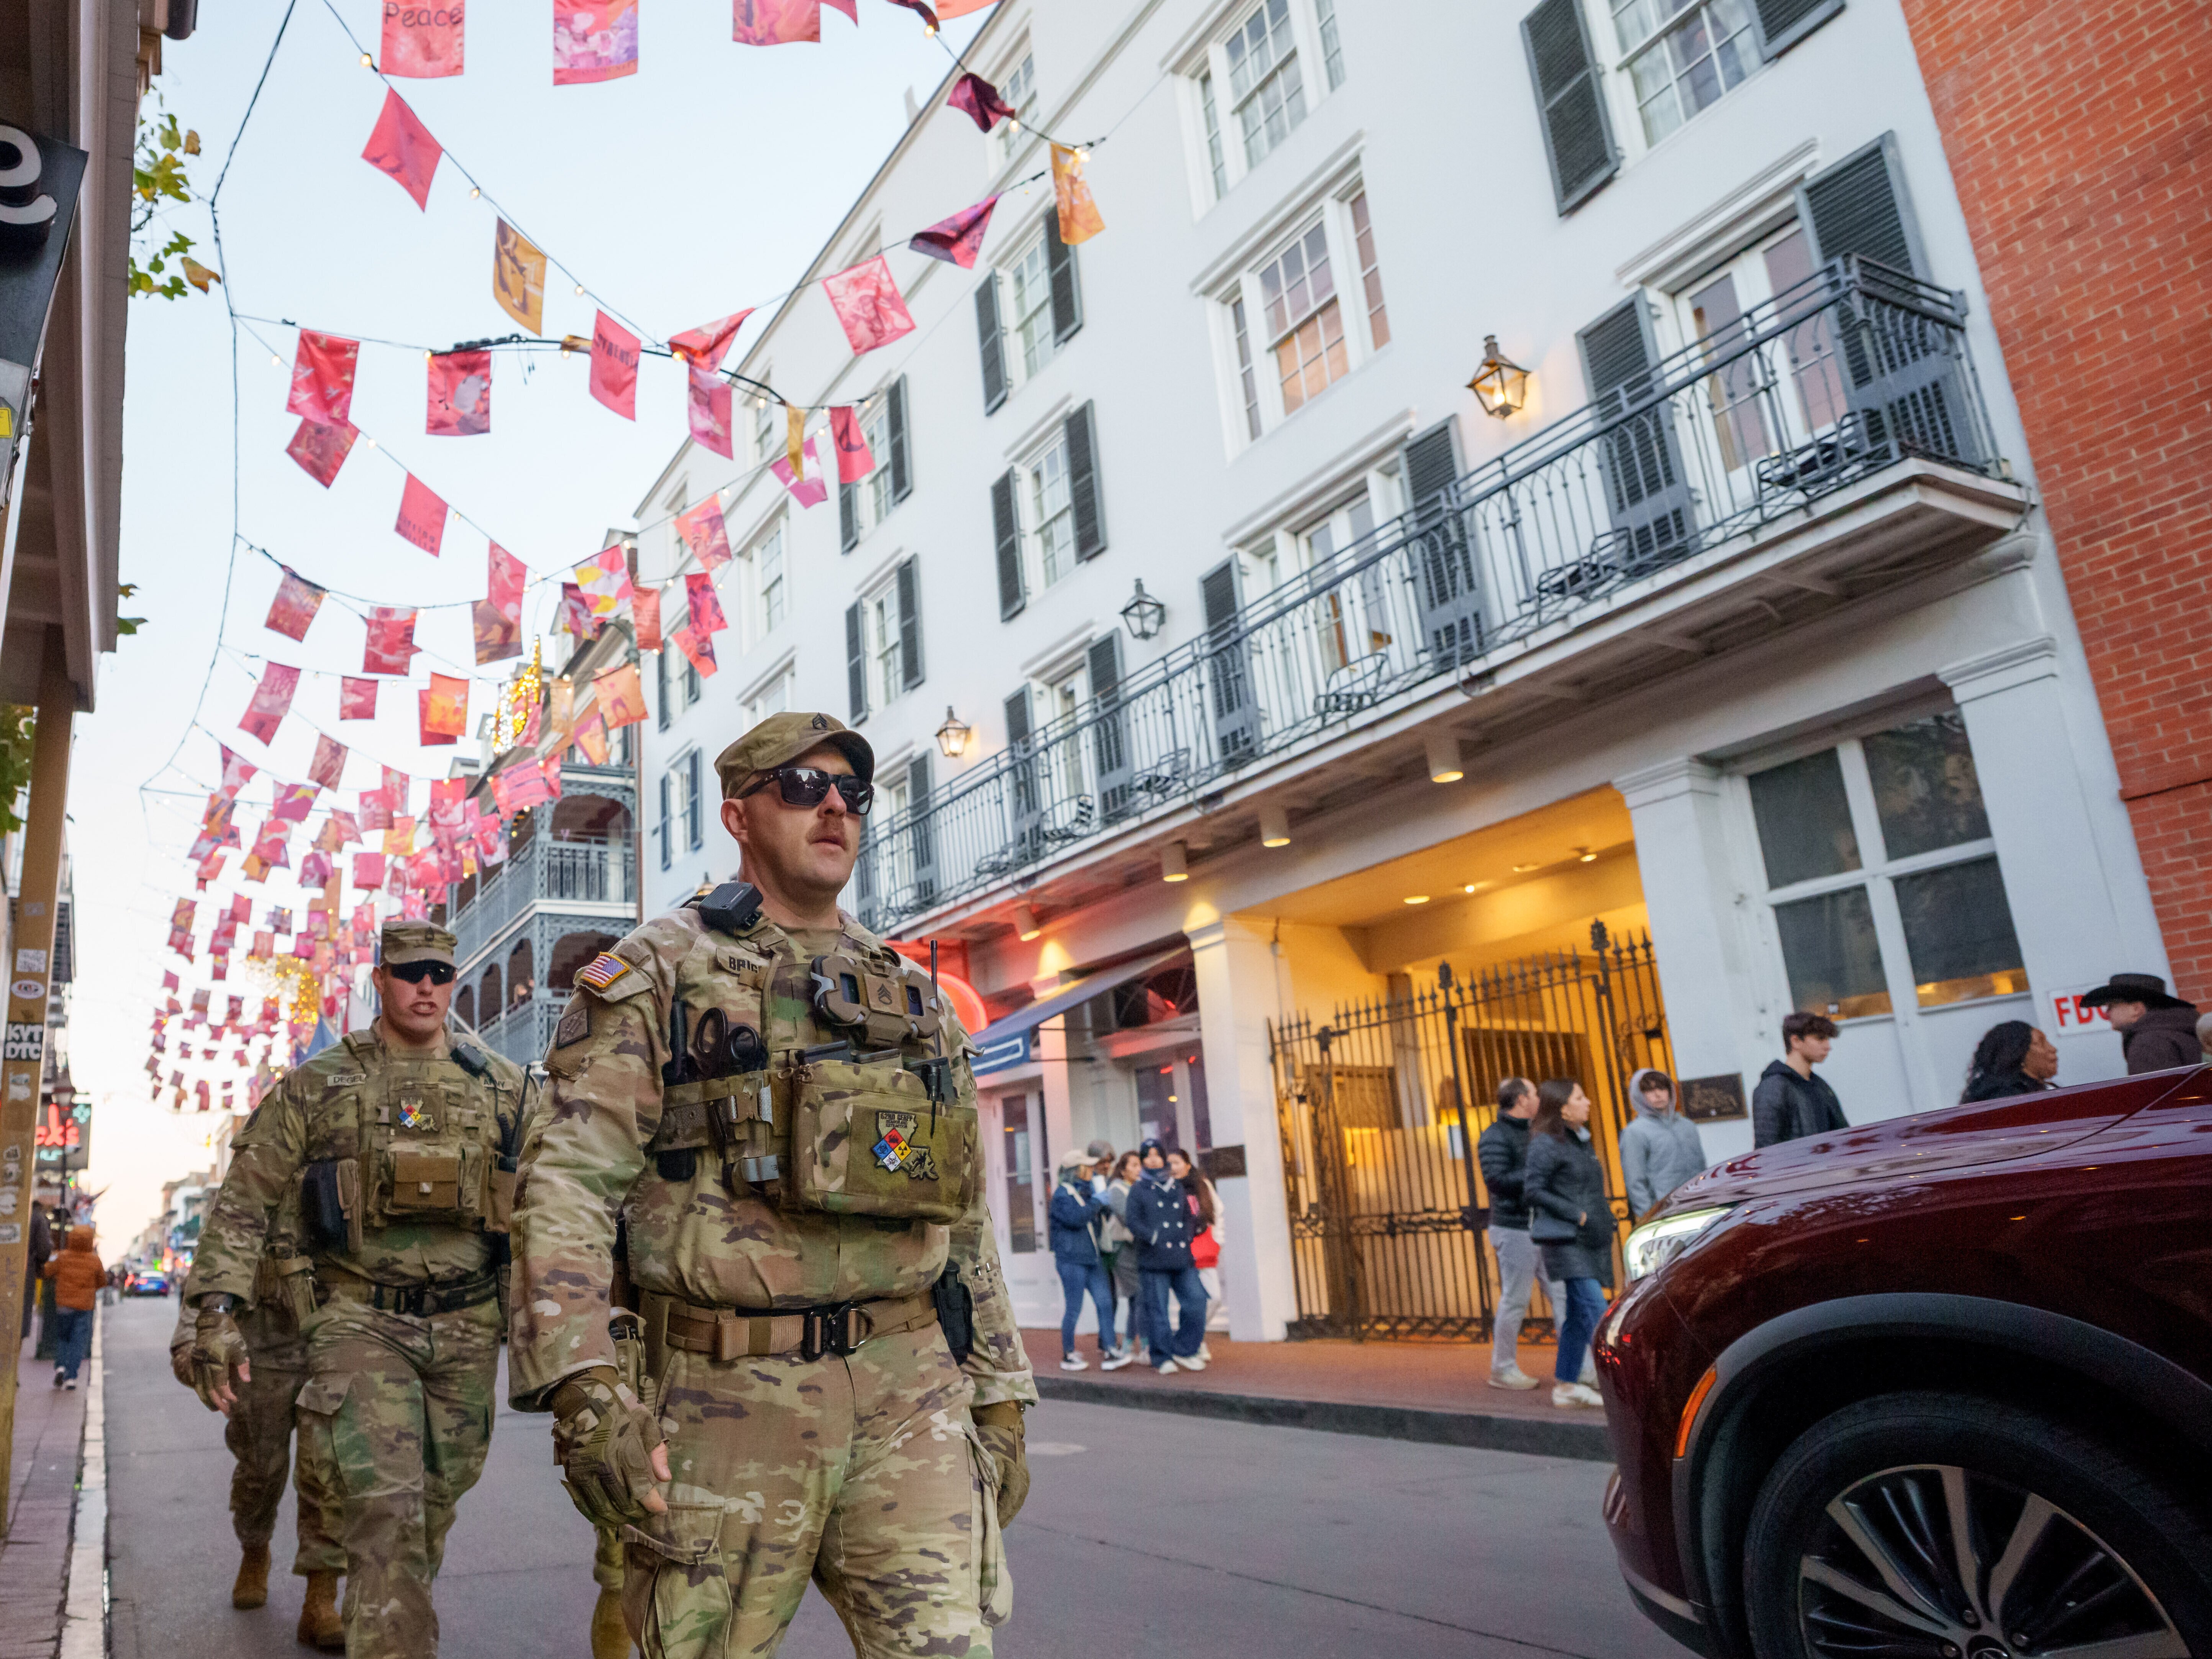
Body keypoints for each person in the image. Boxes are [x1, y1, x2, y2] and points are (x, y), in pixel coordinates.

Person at [507, 711, 1034, 1656]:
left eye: (850, 793)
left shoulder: (908, 994)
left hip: (908, 1381)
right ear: (740, 815)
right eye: (800, 787)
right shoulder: (656, 973)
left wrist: (998, 1390)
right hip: (726, 1391)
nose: (833, 806)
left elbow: (960, 1206)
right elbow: (566, 1188)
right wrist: (585, 1390)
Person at [182, 921, 529, 1659]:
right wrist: (213, 1312)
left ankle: (388, 1609)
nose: (427, 986)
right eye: (410, 972)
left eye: (440, 970)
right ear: (381, 980)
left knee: (437, 1501)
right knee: (383, 1509)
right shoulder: (319, 1084)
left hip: (468, 1325)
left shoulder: (500, 1082)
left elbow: (554, 1203)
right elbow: (245, 1199)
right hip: (358, 1319)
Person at [166, 1172, 348, 1647]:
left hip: (329, 1356)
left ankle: (321, 1597)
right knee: (260, 1473)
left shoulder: (343, 1187)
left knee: (327, 1474)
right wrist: (199, 1355)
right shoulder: (242, 1206)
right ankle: (255, 1549)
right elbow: (206, 1292)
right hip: (257, 1363)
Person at [1478, 1078, 1585, 1391]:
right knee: (1516, 1298)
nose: (1539, 1097)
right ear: (1523, 1099)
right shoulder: (1495, 1135)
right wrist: (1538, 1173)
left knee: (1562, 1294)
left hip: (1541, 1226)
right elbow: (1496, 1180)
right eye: (1535, 1093)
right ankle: (1503, 1368)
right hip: (1514, 1227)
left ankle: (1574, 1364)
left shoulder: (1535, 1131)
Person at [1521, 1080, 1611, 1410]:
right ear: (1562, 1107)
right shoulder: (1545, 1144)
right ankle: (1624, 1387)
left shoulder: (1579, 1141)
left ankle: (1566, 1386)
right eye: (1579, 1097)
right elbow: (1533, 1190)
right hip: (1565, 1238)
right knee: (1599, 1314)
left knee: (1576, 1315)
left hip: (1586, 1239)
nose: (1588, 1101)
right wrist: (1578, 1215)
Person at [1126, 1138, 1207, 1373]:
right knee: (1158, 1311)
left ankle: (1184, 1349)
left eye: (1157, 1154)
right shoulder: (1138, 1189)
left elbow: (1189, 1217)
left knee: (1197, 1301)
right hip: (1153, 1259)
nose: (1153, 1159)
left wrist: (1187, 1236)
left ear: (1163, 1158)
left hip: (1182, 1257)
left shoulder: (1177, 1186)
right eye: (1148, 1155)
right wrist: (1153, 1238)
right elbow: (1133, 1221)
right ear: (1143, 1161)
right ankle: (1162, 1357)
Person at [1048, 1148, 1115, 1370]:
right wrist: (1097, 1202)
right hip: (1071, 1261)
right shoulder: (1061, 1196)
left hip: (1091, 1258)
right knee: (1074, 1308)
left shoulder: (1087, 1193)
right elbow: (1076, 1218)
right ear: (1076, 1171)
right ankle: (1068, 1355)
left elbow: (1096, 1219)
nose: (1092, 1170)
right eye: (1087, 1167)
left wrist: (1101, 1203)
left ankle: (1110, 1349)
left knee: (1105, 1303)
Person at [1619, 1069, 1708, 1217]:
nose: (1657, 1094)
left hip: (1699, 1207)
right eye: (1649, 1090)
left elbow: (1702, 1169)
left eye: (1662, 1088)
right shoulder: (1635, 1132)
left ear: (1670, 1090)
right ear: (1639, 1095)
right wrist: (1650, 1217)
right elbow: (1636, 1182)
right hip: (1665, 1213)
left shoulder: (1688, 1126)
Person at [1752, 1011, 1847, 1148]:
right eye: (1820, 1039)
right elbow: (1766, 1149)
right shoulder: (1773, 1087)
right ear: (1796, 1041)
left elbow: (1842, 1132)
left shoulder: (1819, 1085)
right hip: (1799, 1168)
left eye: (1828, 1039)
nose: (1828, 1046)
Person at [2079, 972, 2203, 1074]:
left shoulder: (2148, 1043)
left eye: (2112, 1006)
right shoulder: (2177, 1032)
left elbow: (2153, 1098)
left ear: (2136, 1009)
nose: (2107, 1013)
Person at [1168, 1147, 1223, 1357]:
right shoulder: (1167, 1188)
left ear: (1187, 1165)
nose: (1172, 1167)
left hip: (1203, 1250)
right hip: (1181, 1253)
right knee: (1192, 1301)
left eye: (1177, 1162)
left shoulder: (1202, 1185)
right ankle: (1194, 1342)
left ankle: (1192, 1337)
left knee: (1214, 1298)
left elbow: (1218, 1213)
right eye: (1169, 1163)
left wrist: (1218, 1241)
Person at [1099, 1150, 1145, 1365]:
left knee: (1139, 1296)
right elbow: (1127, 1217)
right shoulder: (1117, 1189)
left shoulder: (1136, 1188)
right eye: (1134, 1165)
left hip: (1135, 1247)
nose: (1139, 1169)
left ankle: (1134, 1344)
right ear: (1124, 1168)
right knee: (1138, 1294)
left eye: (1140, 1165)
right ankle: (1133, 1344)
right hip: (1121, 1248)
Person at [43, 1224, 102, 1389]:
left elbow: (47, 1271)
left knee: (63, 1338)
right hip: (85, 1307)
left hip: (64, 1305)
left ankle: (61, 1367)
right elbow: (102, 1281)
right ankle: (71, 1378)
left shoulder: (62, 1257)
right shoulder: (94, 1260)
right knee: (78, 1342)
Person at [1961, 1020, 2060, 1102]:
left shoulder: (2034, 1089)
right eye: (2041, 1043)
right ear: (2019, 1053)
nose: (2053, 1049)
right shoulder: (2007, 1099)